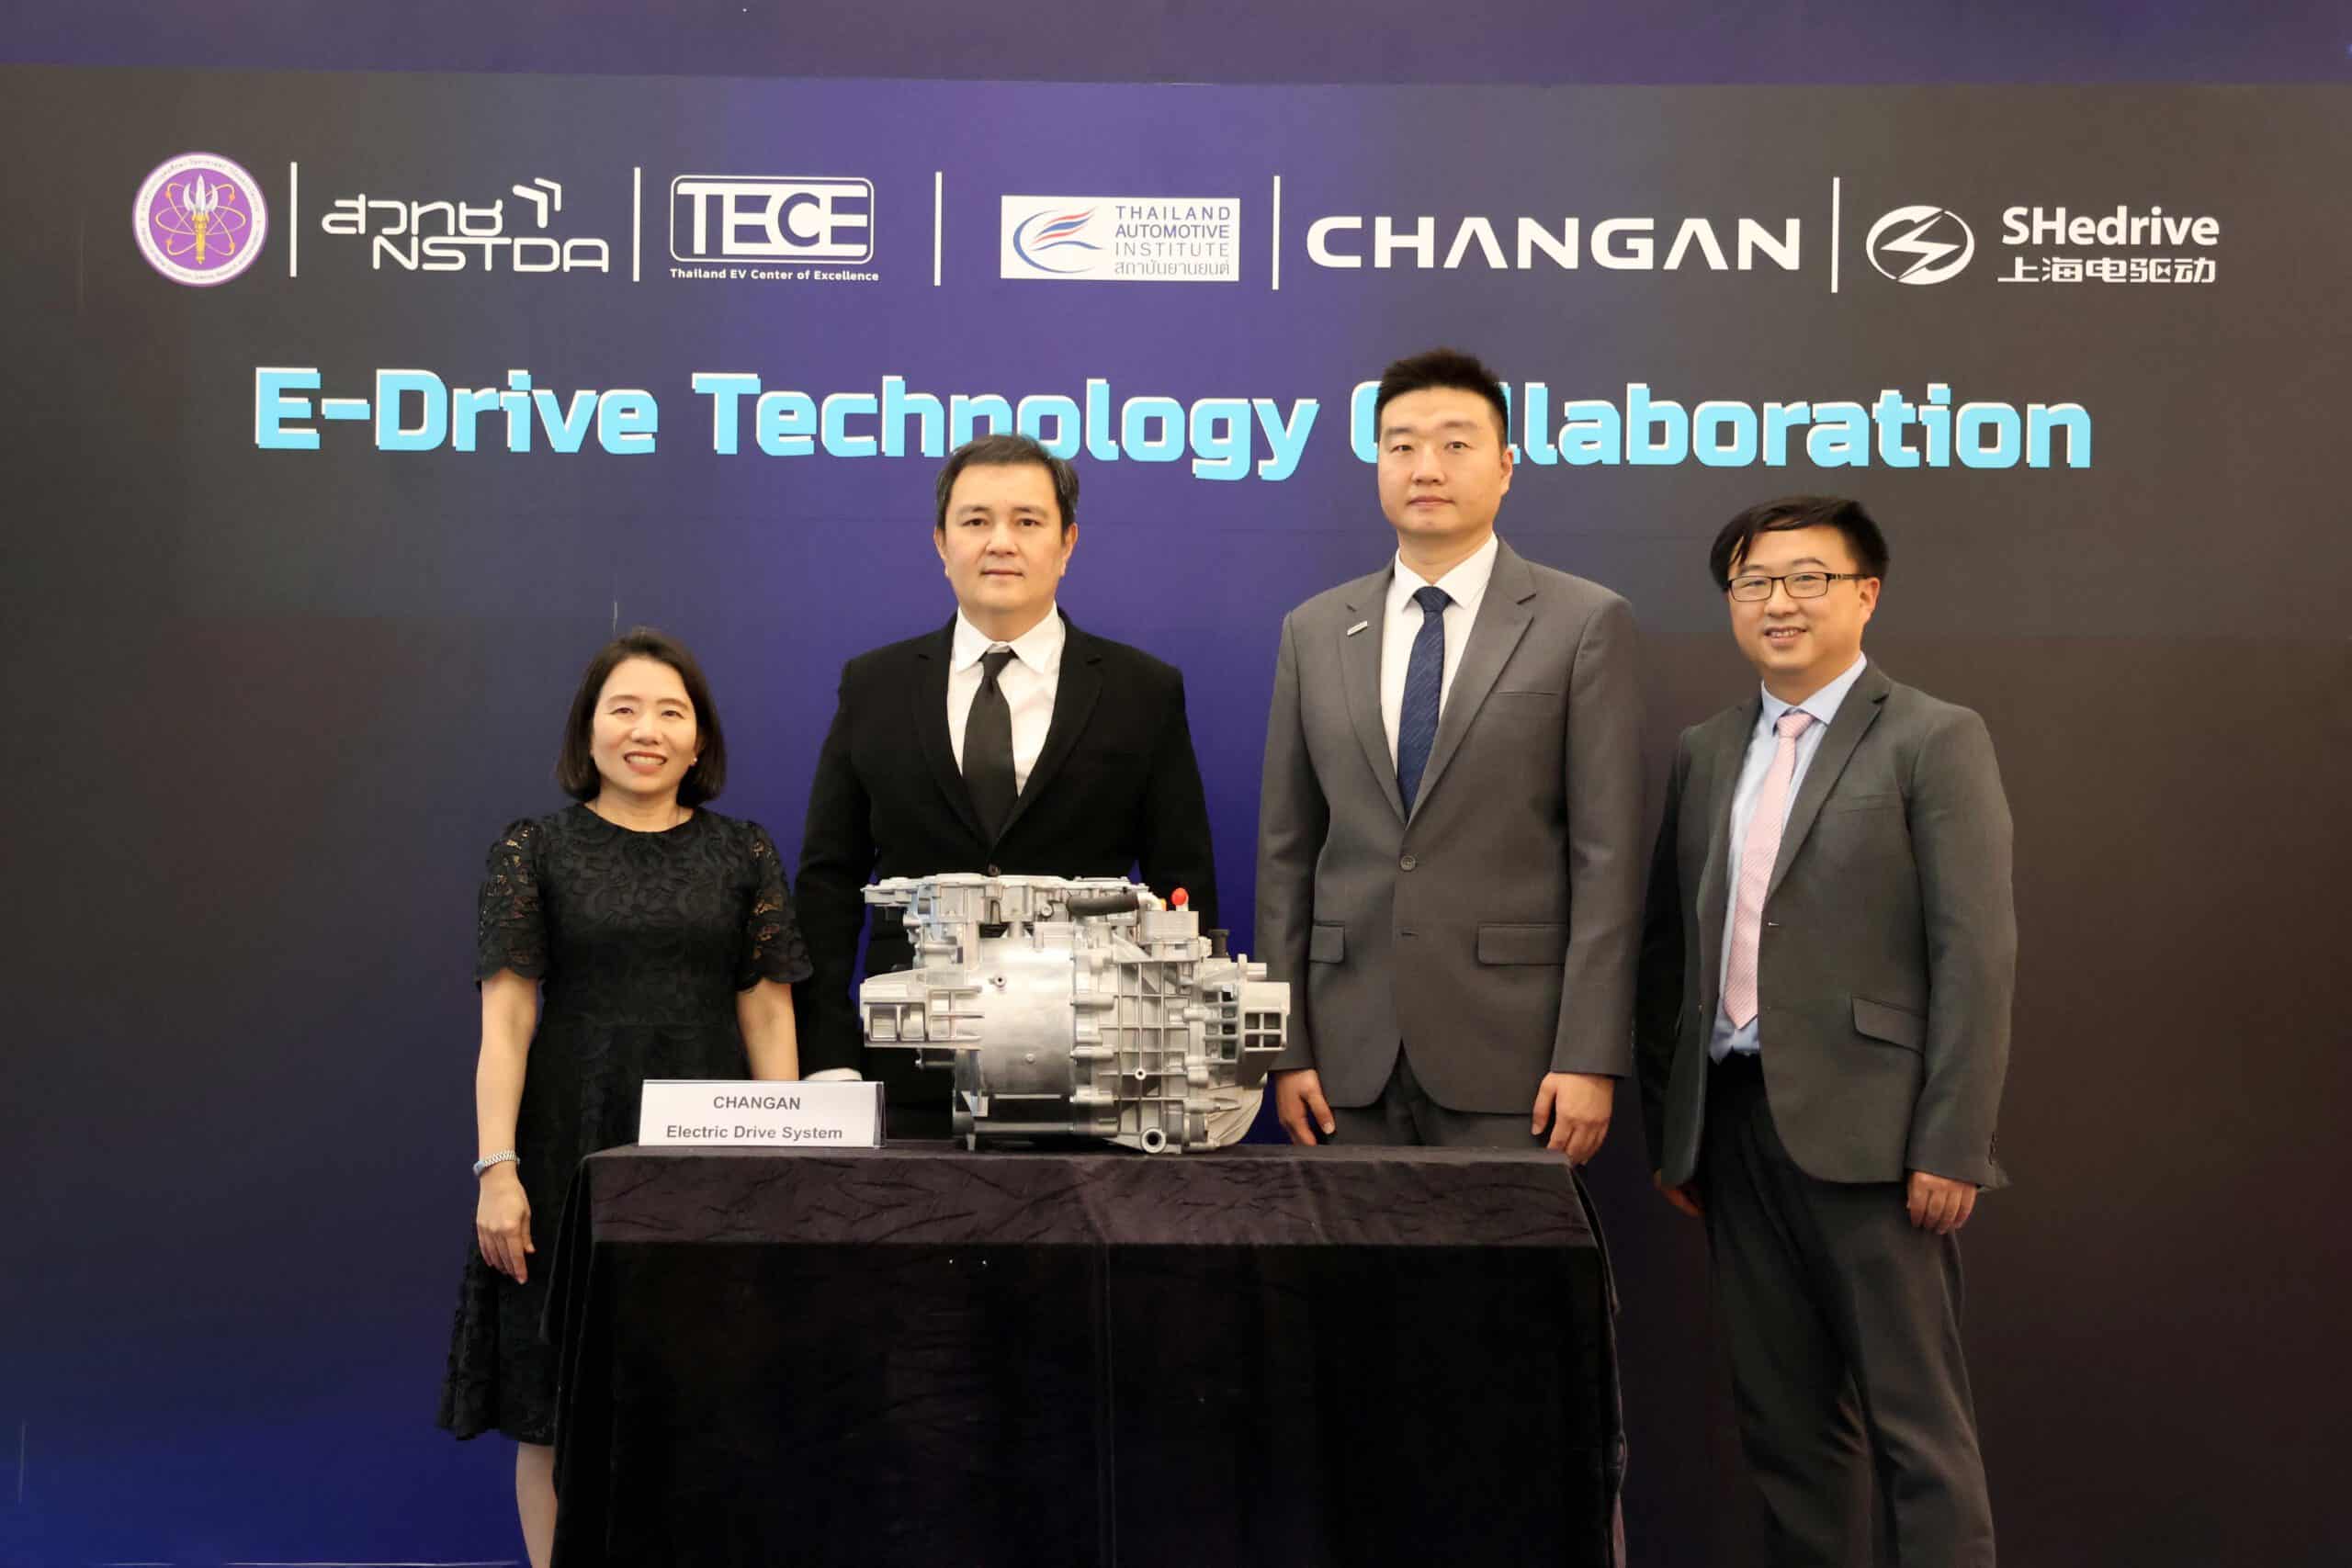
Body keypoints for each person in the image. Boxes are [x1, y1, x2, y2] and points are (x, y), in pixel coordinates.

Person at [1634, 496, 2012, 1567]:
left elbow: (1975, 955)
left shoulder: (1932, 737)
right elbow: (1666, 956)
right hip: (1733, 1130)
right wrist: (1674, 1131)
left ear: (1865, 594)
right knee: (1787, 1436)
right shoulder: (1707, 750)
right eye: (1753, 582)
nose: (1779, 602)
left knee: (1917, 1435)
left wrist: (1952, 1142)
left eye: (1808, 578)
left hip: (1876, 1141)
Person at [436, 628, 808, 1568]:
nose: (647, 730)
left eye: (671, 713)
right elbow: (506, 1021)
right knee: (552, 1407)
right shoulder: (534, 849)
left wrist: (792, 1166)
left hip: (713, 1157)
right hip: (567, 1153)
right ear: (588, 729)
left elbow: (768, 1015)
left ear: (699, 739)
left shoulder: (743, 852)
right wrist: (496, 1169)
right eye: (624, 709)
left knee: (703, 1390)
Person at [1257, 346, 1645, 1155]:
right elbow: (1286, 851)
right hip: (1345, 1059)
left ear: (1505, 466)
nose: (1425, 466)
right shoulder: (1314, 629)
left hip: (1516, 1059)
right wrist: (1285, 1045)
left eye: (1455, 443)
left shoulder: (1582, 623)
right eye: (1401, 445)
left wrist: (1588, 1053)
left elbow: (1606, 859)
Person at [795, 433, 1218, 1135]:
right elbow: (827, 882)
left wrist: (1175, 1062)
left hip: (1093, 1075)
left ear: (1067, 542)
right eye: (975, 520)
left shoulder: (1142, 691)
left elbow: (1184, 884)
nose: (1001, 542)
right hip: (907, 1071)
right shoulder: (874, 686)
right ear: (941, 541)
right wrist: (830, 1058)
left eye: (1027, 521)